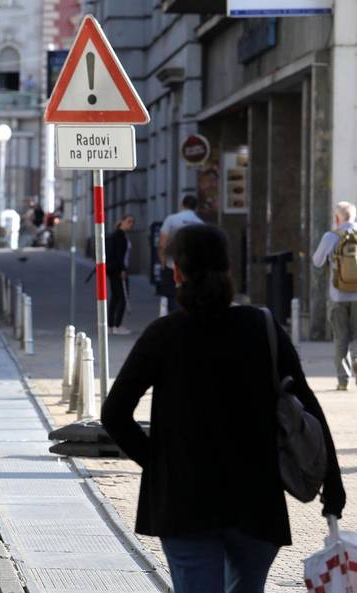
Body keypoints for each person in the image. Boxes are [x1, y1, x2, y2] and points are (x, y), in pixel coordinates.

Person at [102, 224, 345, 593]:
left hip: (185, 503)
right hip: (256, 502)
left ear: (177, 273)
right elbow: (307, 404)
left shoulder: (163, 335)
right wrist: (333, 482)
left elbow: (114, 414)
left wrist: (157, 461)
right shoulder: (261, 327)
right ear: (229, 270)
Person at [312, 201, 357, 390]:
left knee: (341, 338)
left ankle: (342, 379)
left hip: (338, 296)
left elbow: (317, 261)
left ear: (337, 218)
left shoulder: (330, 236)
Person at [158, 194, 202, 312]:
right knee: (190, 293)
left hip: (172, 263)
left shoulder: (171, 219)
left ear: (182, 205)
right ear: (196, 207)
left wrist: (162, 260)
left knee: (172, 294)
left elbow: (162, 242)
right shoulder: (199, 223)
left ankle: (174, 319)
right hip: (192, 265)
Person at [107, 214, 134, 335]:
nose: (131, 224)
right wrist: (123, 270)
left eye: (132, 222)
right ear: (122, 221)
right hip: (118, 270)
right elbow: (119, 255)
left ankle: (110, 325)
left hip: (114, 269)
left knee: (115, 297)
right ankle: (116, 325)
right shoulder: (120, 236)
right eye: (128, 221)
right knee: (122, 297)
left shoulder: (120, 235)